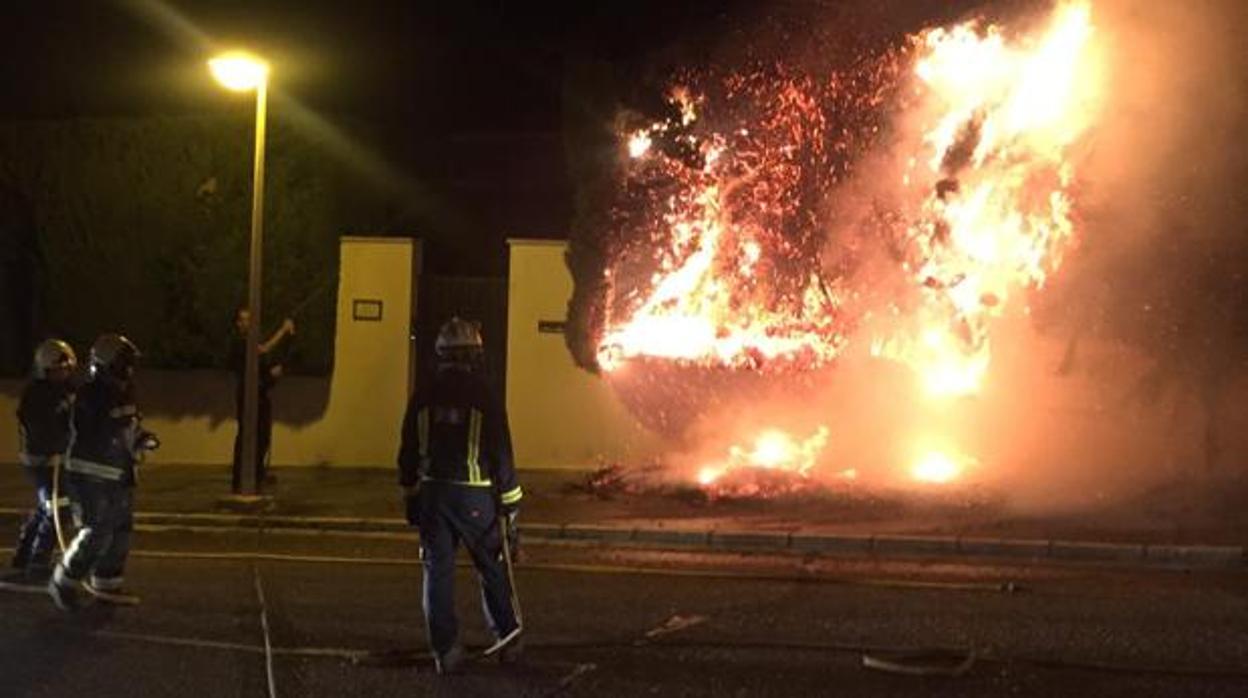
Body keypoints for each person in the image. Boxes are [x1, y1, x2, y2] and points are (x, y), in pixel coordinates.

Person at [397, 317, 524, 674]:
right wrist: (512, 504)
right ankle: (508, 638)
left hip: (433, 495)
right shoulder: (485, 396)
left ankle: (446, 651)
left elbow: (407, 449)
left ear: (441, 354)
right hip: (476, 498)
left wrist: (410, 491)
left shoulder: (422, 394)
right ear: (475, 355)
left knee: (437, 572)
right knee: (492, 567)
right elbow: (501, 453)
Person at [49, 333, 158, 609]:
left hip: (119, 473)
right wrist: (121, 437)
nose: (130, 371)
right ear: (107, 365)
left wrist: (142, 438)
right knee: (96, 530)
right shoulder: (90, 394)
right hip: (90, 475)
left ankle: (107, 583)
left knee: (121, 530)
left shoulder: (125, 391)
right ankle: (63, 582)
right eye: (125, 365)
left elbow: (129, 427)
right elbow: (92, 432)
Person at [6, 339, 77, 583]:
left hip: (57, 458)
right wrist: (57, 445)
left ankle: (23, 555)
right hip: (41, 459)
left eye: (67, 368)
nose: (63, 373)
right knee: (59, 507)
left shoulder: (67, 390)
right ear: (45, 370)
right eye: (58, 369)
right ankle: (38, 561)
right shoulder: (36, 395)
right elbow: (39, 429)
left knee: (46, 507)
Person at [229, 308, 294, 492]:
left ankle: (256, 475)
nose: (248, 323)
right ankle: (242, 478)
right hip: (249, 395)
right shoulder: (240, 344)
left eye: (250, 319)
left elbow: (261, 363)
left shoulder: (250, 342)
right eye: (244, 320)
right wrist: (282, 330)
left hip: (260, 395)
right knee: (247, 437)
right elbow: (263, 350)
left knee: (262, 438)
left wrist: (271, 375)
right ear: (238, 324)